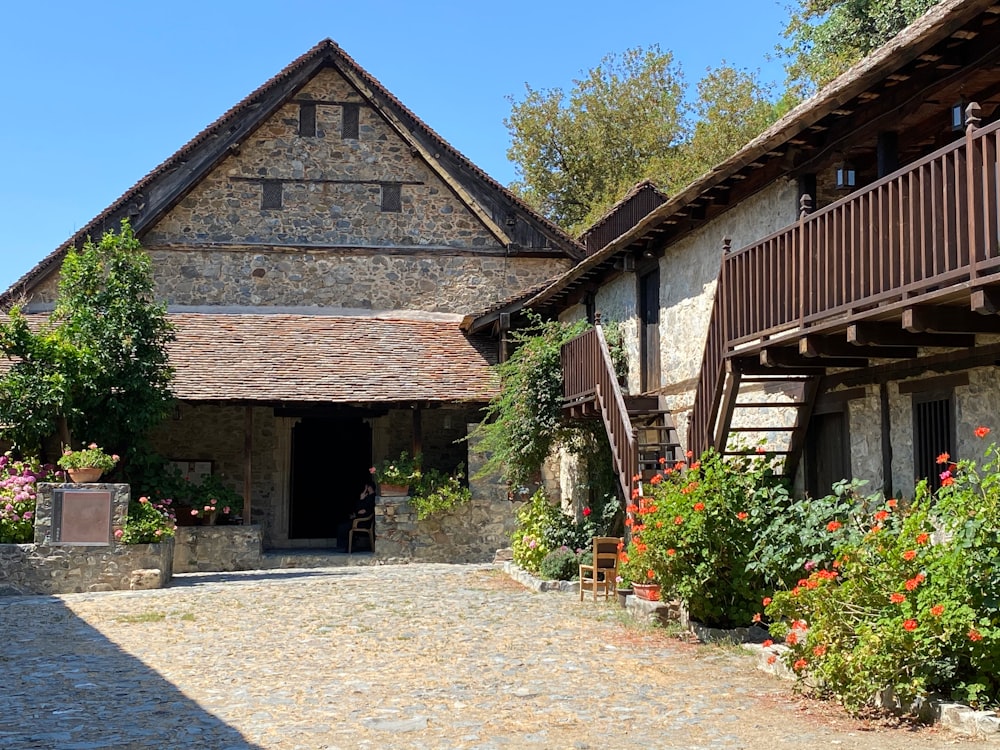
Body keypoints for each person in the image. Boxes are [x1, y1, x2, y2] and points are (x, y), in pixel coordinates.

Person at [336, 471, 377, 551]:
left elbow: (364, 511)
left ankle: (345, 547)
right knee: (343, 524)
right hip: (359, 519)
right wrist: (361, 499)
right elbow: (359, 510)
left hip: (363, 522)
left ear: (369, 487)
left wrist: (361, 501)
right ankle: (348, 546)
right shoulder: (367, 497)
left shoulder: (372, 498)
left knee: (342, 527)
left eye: (366, 487)